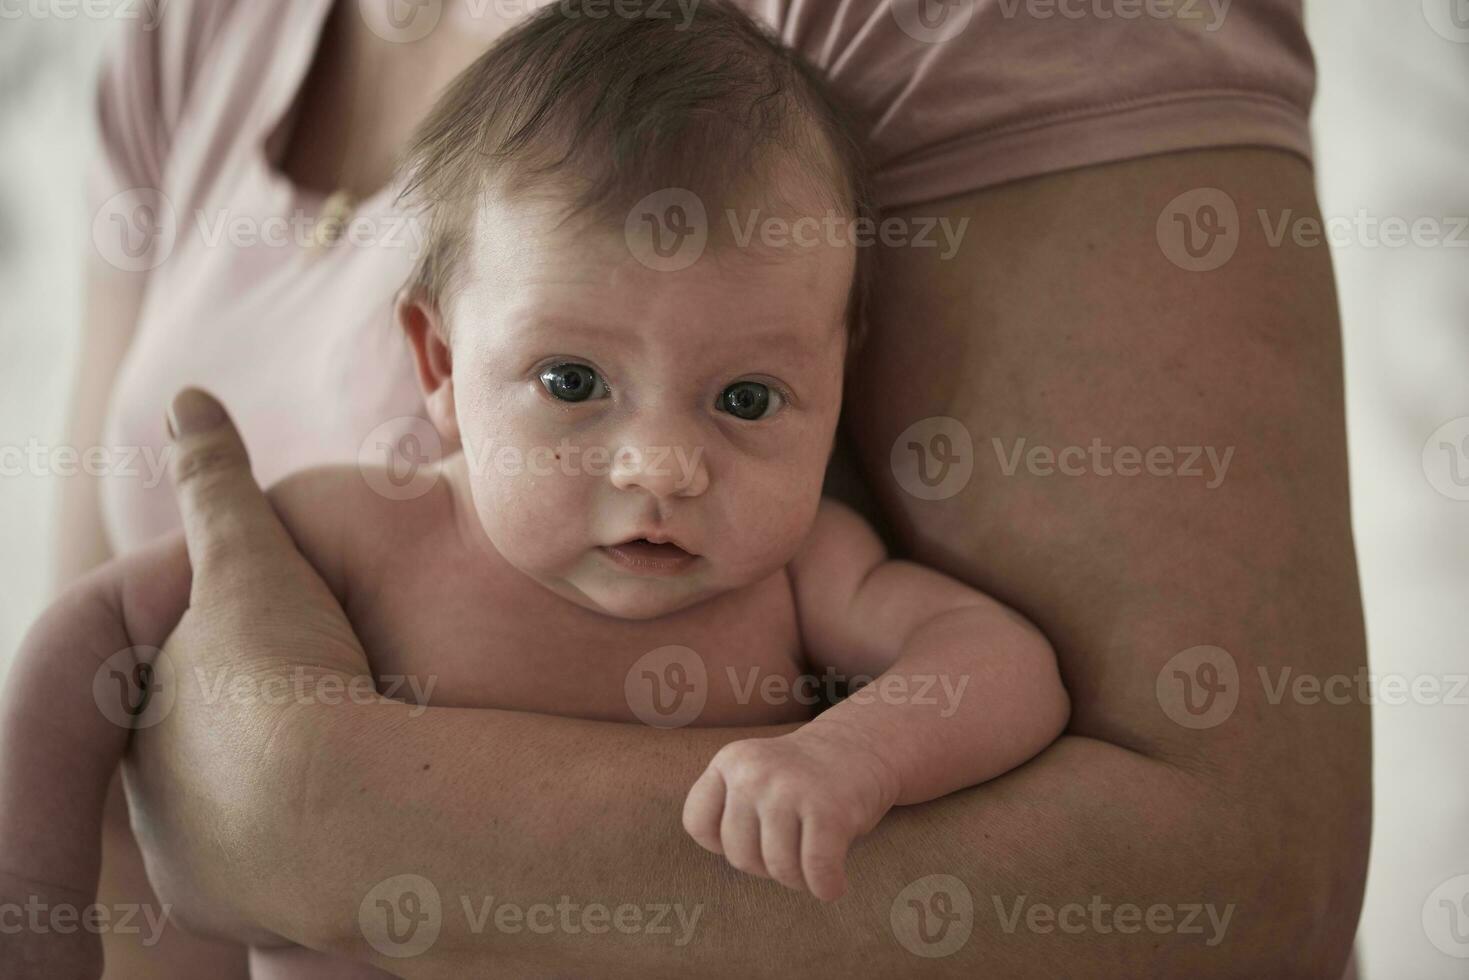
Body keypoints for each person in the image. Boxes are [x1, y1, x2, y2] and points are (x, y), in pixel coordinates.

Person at [54, 0, 1368, 975]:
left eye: (745, 402)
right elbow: (82, 662)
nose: (665, 467)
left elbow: (1013, 680)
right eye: (570, 385)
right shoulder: (351, 515)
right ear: (438, 365)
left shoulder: (800, 567)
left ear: (834, 383)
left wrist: (850, 756)